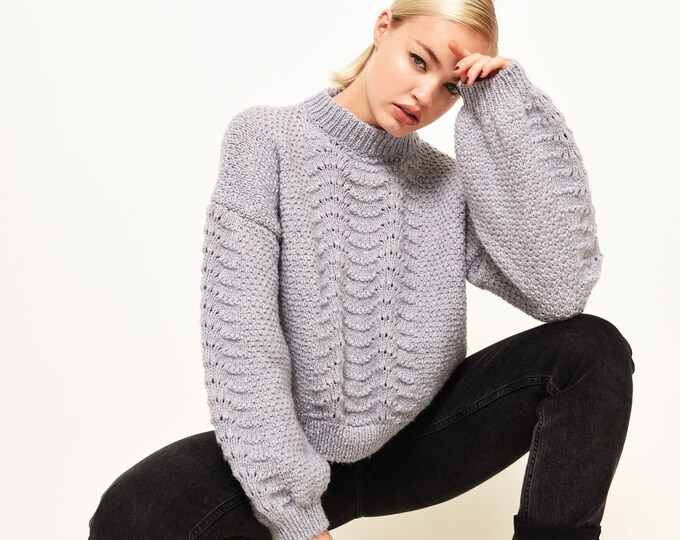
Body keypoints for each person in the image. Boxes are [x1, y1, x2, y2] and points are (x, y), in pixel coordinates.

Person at [88, 1, 635, 539]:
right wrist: (296, 518)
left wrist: (506, 106)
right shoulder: (266, 140)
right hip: (298, 447)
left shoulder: (447, 184)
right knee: (131, 513)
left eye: (452, 87)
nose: (424, 95)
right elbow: (243, 340)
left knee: (591, 349)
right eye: (419, 60)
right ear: (383, 27)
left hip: (419, 446)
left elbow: (561, 291)